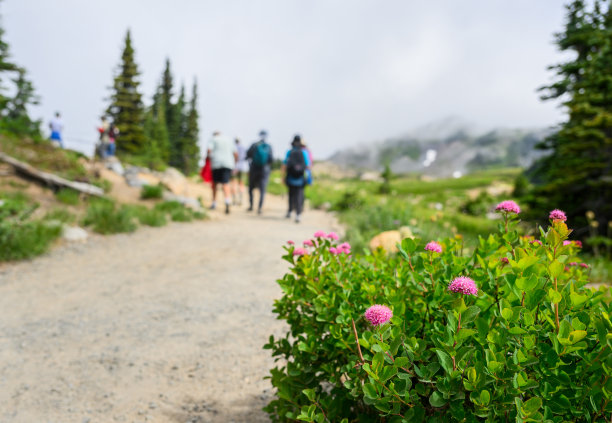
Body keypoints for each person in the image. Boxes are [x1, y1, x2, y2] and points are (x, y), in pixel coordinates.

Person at [207, 130, 237, 214]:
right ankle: (227, 201)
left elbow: (209, 150)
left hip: (216, 163)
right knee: (225, 183)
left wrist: (208, 158)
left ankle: (214, 203)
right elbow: (235, 153)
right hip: (228, 163)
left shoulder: (213, 139)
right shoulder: (229, 140)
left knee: (215, 184)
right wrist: (234, 163)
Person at [282, 134, 310, 223]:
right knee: (299, 195)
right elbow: (308, 166)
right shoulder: (304, 152)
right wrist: (308, 177)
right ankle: (298, 214)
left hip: (290, 176)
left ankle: (290, 211)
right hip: (300, 177)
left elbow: (285, 165)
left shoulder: (289, 152)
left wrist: (283, 177)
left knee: (291, 194)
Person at [246, 130, 273, 214]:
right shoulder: (268, 146)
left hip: (254, 169)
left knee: (251, 188)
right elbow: (271, 159)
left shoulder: (254, 145)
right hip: (264, 170)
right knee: (262, 189)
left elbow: (247, 155)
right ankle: (260, 208)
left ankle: (251, 206)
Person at [231, 138, 248, 206]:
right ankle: (240, 200)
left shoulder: (233, 147)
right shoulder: (243, 147)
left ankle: (234, 200)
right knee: (241, 184)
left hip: (234, 167)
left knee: (233, 184)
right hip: (243, 167)